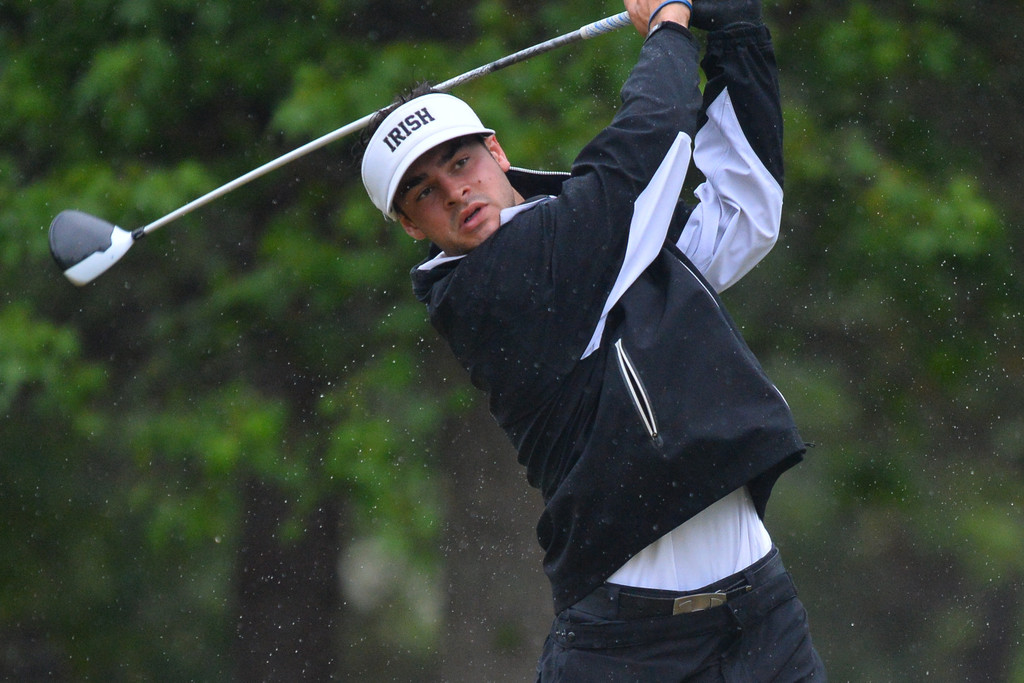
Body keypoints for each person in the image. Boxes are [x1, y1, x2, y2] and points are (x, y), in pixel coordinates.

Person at [359, 0, 826, 679]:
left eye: (461, 162)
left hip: (761, 618)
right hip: (628, 648)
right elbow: (642, 148)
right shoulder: (490, 290)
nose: (457, 192)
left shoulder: (611, 246)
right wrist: (668, 28)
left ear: (497, 152)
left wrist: (738, 35)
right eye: (426, 192)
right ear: (410, 226)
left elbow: (743, 213)